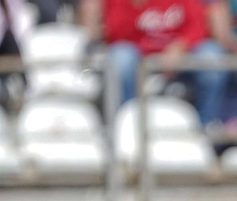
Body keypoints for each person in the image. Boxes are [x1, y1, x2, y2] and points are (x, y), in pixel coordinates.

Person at [82, 0, 229, 125]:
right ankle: (128, 126)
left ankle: (205, 128)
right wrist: (135, 6)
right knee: (121, 58)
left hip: (181, 55)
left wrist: (181, 46)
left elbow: (198, 24)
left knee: (212, 54)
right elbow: (116, 34)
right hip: (139, 57)